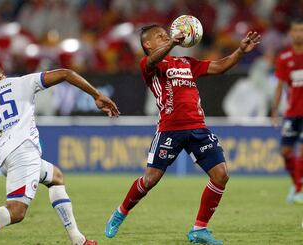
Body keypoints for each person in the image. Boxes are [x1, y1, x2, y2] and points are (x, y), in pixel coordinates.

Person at [105, 24, 260, 245]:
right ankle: (120, 212)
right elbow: (151, 61)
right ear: (148, 45)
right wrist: (172, 43)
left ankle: (199, 229)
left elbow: (219, 67)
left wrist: (240, 51)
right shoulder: (149, 64)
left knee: (221, 174)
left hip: (198, 127)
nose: (165, 37)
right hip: (169, 129)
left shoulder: (186, 62)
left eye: (166, 35)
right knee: (150, 180)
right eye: (160, 36)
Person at [0, 58, 120, 245]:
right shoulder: (21, 82)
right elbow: (66, 73)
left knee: (56, 177)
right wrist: (97, 95)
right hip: (24, 153)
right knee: (16, 211)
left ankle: (78, 240)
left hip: (5, 158)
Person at [271, 17, 303, 204]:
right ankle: (295, 184)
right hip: (292, 112)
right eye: (296, 30)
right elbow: (279, 86)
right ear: (291, 33)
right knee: (285, 152)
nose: (299, 34)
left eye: (301, 30)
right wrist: (275, 110)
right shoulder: (284, 57)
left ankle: (299, 190)